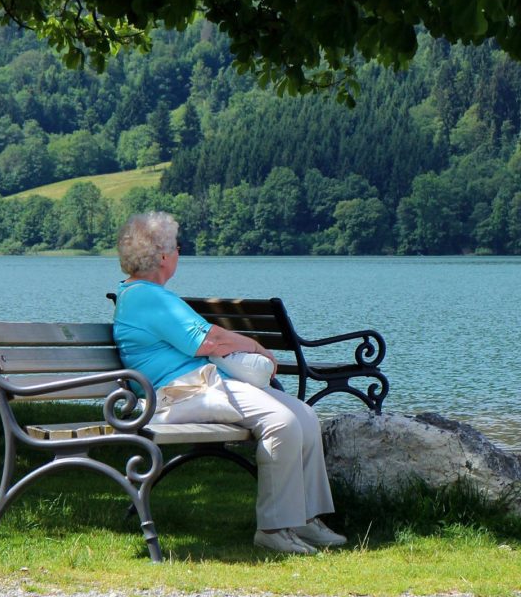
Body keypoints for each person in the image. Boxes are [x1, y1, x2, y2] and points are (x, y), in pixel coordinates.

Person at [113, 212, 347, 554]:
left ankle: (304, 519)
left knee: (305, 417)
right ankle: (274, 527)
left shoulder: (149, 295)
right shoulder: (146, 297)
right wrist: (257, 348)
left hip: (202, 387)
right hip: (178, 396)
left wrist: (244, 346)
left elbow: (210, 338)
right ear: (163, 257)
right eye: (177, 248)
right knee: (281, 422)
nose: (180, 253)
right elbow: (207, 342)